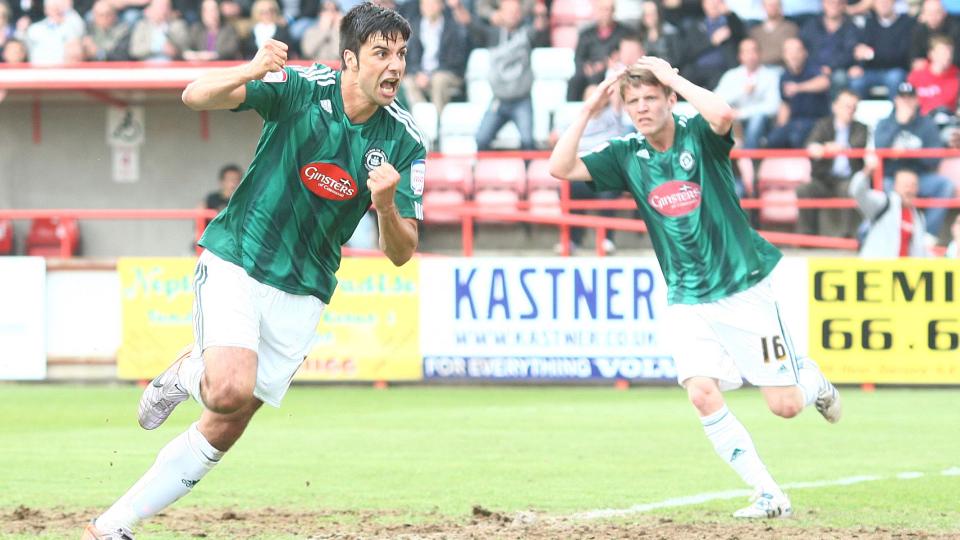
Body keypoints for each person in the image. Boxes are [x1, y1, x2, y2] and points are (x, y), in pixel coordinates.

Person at [82, 3, 424, 538]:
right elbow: (194, 96)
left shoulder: (405, 141)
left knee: (225, 425)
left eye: (401, 54)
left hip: (305, 290)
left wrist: (383, 206)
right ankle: (185, 374)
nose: (395, 66)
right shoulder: (300, 89)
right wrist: (249, 68)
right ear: (350, 59)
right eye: (381, 53)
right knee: (226, 389)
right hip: (239, 257)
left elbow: (402, 252)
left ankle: (113, 524)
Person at [549, 57, 842, 519]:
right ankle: (770, 495)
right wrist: (588, 110)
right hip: (687, 296)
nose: (643, 108)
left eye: (651, 98)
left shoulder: (698, 133)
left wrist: (673, 77)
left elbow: (725, 116)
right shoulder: (627, 154)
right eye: (633, 102)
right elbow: (560, 167)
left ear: (669, 98)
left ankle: (814, 380)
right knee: (702, 393)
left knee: (784, 406)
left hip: (742, 285)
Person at [873, 81, 956, 238]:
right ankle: (893, 234)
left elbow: (935, 158)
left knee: (944, 185)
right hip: (893, 178)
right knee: (882, 186)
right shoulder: (884, 123)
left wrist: (909, 154)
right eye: (902, 98)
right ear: (896, 100)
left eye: (910, 98)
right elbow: (879, 150)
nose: (906, 102)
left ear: (917, 100)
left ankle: (926, 236)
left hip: (919, 177)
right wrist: (899, 124)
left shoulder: (927, 124)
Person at [797, 89, 867, 237]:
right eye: (847, 106)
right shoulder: (823, 125)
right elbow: (811, 146)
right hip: (823, 179)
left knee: (849, 188)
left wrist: (835, 148)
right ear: (835, 107)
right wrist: (820, 148)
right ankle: (806, 237)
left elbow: (857, 145)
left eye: (854, 107)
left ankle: (846, 237)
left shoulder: (861, 128)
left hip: (847, 178)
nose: (850, 110)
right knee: (804, 190)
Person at [850, 166, 932, 257]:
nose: (909, 190)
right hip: (877, 268)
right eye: (906, 185)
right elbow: (858, 193)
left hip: (900, 270)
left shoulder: (918, 217)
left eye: (913, 185)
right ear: (895, 186)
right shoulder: (884, 203)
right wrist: (866, 172)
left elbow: (920, 251)